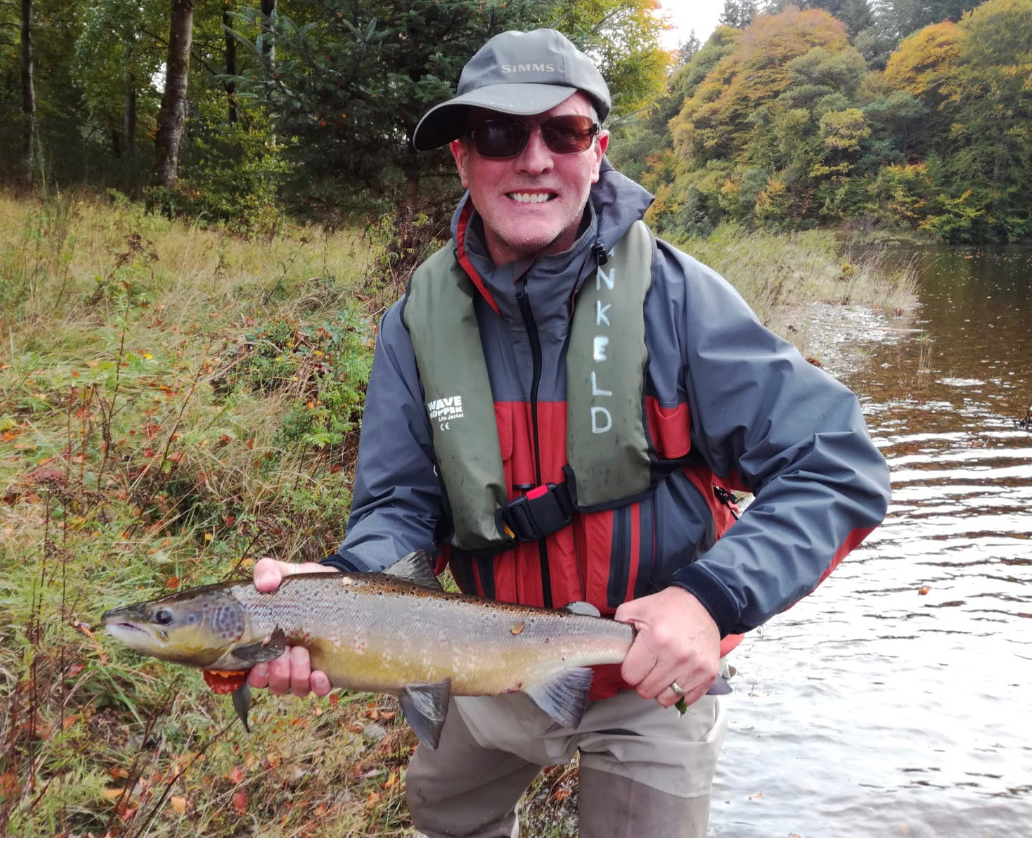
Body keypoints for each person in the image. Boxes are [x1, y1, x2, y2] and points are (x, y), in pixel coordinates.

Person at [250, 28, 891, 837]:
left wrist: (710, 600)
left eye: (563, 131)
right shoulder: (415, 326)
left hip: (646, 682)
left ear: (598, 151)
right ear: (461, 157)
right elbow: (397, 507)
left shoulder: (679, 301)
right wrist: (339, 596)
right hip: (481, 669)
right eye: (497, 134)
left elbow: (835, 465)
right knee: (444, 818)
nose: (531, 159)